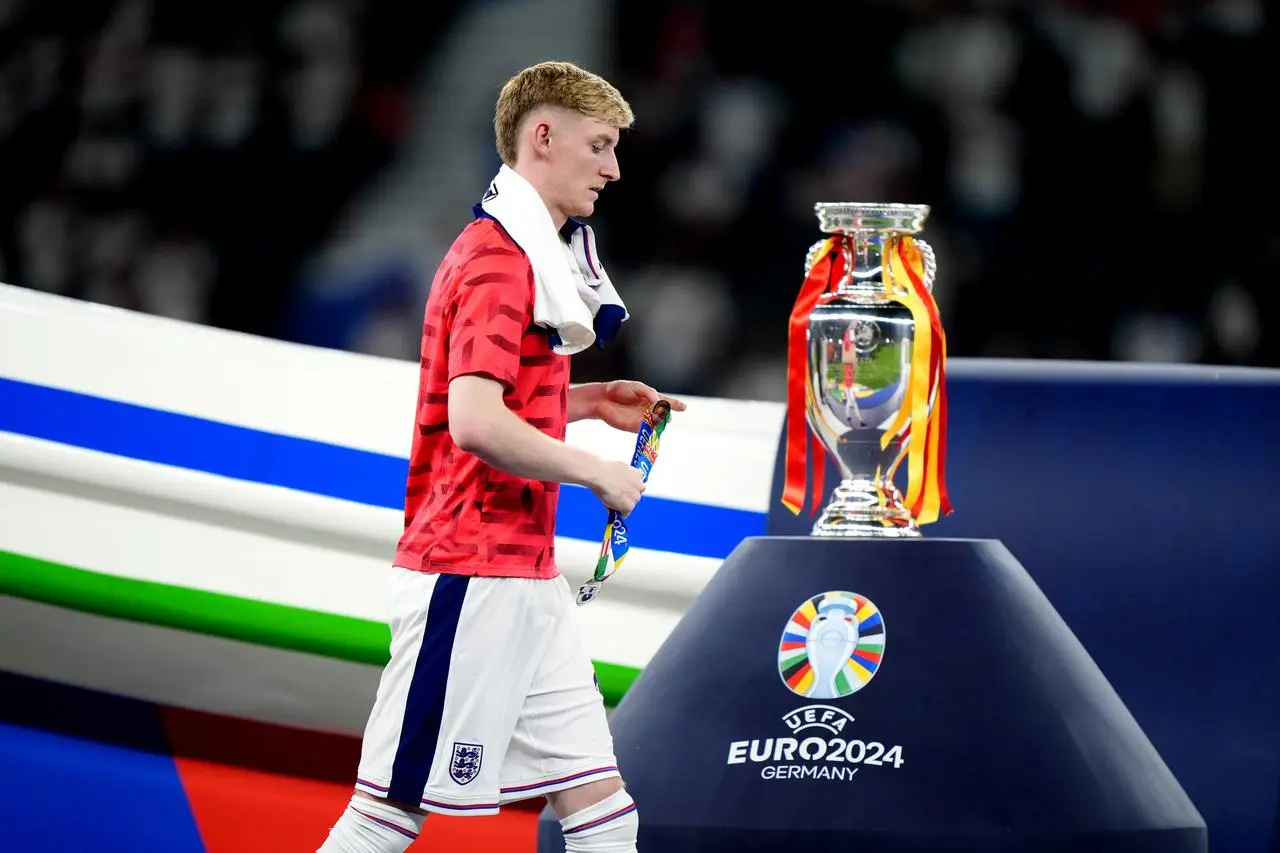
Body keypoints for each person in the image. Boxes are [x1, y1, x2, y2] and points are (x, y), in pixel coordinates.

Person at [316, 60, 685, 853]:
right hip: (470, 570)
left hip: (519, 576)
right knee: (386, 813)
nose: (614, 169)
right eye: (601, 145)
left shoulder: (519, 252)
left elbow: (489, 399)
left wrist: (587, 401)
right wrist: (595, 469)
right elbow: (477, 422)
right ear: (542, 138)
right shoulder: (500, 261)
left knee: (604, 813)